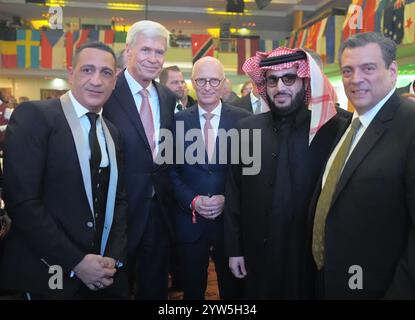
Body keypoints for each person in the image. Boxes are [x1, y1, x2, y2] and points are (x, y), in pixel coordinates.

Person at [0, 41, 128, 299]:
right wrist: (77, 262)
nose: (96, 80)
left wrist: (112, 257)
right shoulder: (36, 116)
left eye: (106, 73)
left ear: (115, 80)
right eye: (87, 70)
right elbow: (22, 202)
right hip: (48, 270)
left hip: (100, 275)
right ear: (71, 73)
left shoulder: (113, 132)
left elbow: (119, 200)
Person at [224, 47, 351, 299]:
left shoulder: (332, 129)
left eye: (289, 78)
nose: (280, 87)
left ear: (305, 81)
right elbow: (233, 193)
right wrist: (234, 249)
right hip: (258, 252)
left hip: (308, 257)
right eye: (272, 80)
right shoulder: (245, 129)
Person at [309, 32, 415, 299]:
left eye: (368, 68)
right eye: (347, 71)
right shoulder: (348, 125)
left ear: (393, 71)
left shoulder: (410, 125)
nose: (356, 79)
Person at [103, 20, 176, 300]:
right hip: (117, 213)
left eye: (159, 52)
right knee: (114, 287)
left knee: (154, 286)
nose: (153, 59)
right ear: (128, 51)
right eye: (146, 50)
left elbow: (165, 154)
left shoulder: (167, 97)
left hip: (159, 212)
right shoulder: (107, 91)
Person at [170, 56, 249, 299]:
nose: (207, 86)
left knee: (232, 289)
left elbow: (248, 172)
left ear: (224, 83)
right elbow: (168, 172)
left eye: (214, 81)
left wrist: (227, 198)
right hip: (190, 221)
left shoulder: (243, 119)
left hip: (230, 224)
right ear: (192, 83)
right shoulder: (176, 121)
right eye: (201, 80)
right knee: (192, 289)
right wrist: (192, 200)